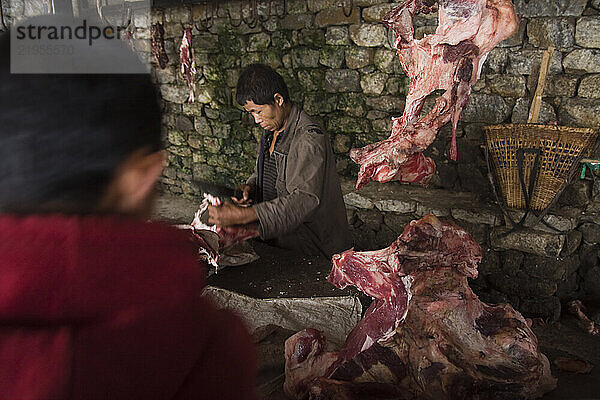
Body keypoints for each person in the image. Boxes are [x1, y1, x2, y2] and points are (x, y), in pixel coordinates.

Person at [0, 21, 256, 400]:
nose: (256, 117)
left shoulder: (303, 137)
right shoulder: (206, 351)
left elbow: (303, 199)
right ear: (141, 176)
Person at [208, 64, 352, 258]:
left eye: (258, 112)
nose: (256, 120)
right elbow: (268, 172)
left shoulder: (308, 138)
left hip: (314, 249)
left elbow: (304, 199)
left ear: (278, 99)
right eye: (251, 113)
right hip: (280, 241)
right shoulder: (271, 131)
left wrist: (245, 216)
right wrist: (250, 187)